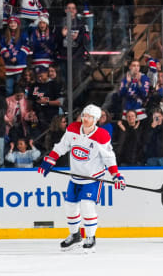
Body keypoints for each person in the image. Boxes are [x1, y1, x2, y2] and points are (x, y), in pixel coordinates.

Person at [38, 104, 126, 252]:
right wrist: (50, 160)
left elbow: (109, 158)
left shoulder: (102, 136)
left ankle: (90, 237)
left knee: (87, 205)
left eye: (90, 117)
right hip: (75, 178)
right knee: (70, 207)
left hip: (92, 179)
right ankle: (75, 236)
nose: (86, 119)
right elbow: (61, 146)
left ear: (96, 119)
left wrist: (116, 175)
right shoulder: (73, 128)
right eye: (84, 115)